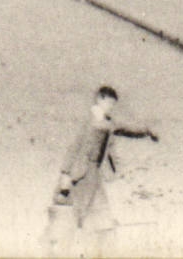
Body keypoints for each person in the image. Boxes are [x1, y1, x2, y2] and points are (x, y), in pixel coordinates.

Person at [47, 86, 158, 256]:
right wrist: (66, 174)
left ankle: (88, 244)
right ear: (99, 99)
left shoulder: (107, 122)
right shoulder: (89, 121)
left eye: (113, 105)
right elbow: (74, 147)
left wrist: (145, 132)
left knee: (93, 208)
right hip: (82, 172)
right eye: (109, 103)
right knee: (79, 210)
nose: (111, 107)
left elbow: (124, 129)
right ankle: (69, 246)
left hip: (94, 171)